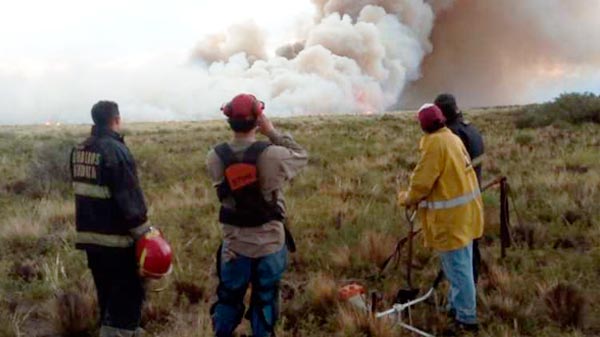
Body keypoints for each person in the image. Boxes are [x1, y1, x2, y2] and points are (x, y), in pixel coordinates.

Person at [206, 94, 308, 337]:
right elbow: (301, 155)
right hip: (270, 243)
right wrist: (272, 131)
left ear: (229, 120)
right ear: (257, 120)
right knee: (265, 299)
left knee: (228, 299)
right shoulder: (274, 154)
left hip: (234, 245)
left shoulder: (215, 156)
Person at [398, 104, 484, 333]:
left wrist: (405, 198)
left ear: (423, 125)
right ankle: (457, 306)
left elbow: (421, 183)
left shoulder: (436, 144)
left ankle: (467, 318)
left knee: (458, 269)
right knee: (461, 265)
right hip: (465, 215)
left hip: (450, 221)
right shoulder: (453, 138)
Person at [71, 101, 150, 337]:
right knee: (127, 293)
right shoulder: (115, 150)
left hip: (90, 238)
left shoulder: (79, 149)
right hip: (116, 240)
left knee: (106, 292)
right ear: (116, 119)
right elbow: (129, 197)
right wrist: (145, 234)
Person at [435, 93, 485, 284]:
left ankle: (464, 305)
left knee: (460, 254)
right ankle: (472, 285)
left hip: (459, 202)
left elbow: (451, 170)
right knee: (472, 246)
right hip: (473, 196)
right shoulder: (471, 129)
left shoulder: (453, 135)